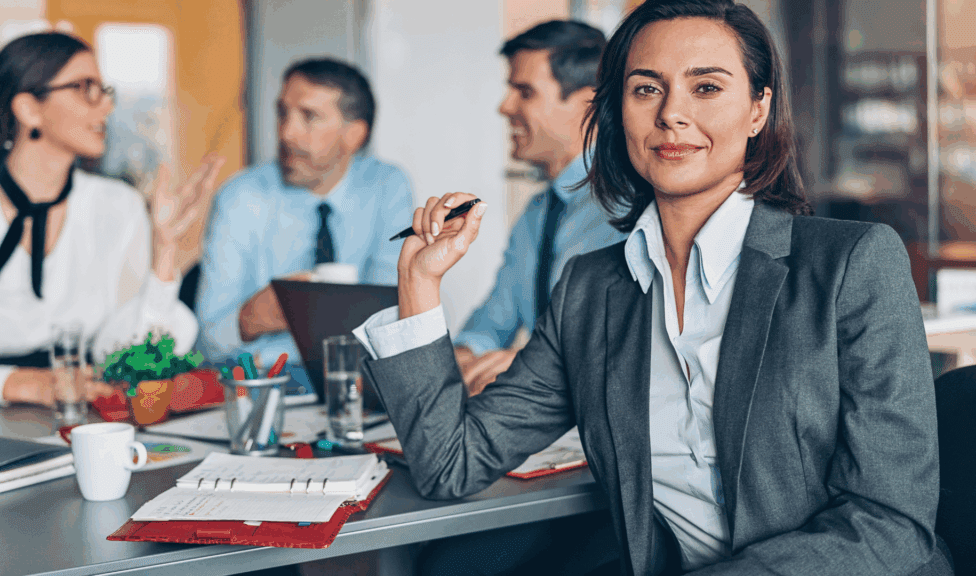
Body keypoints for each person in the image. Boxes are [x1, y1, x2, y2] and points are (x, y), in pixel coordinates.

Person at [354, 1, 953, 574]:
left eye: (707, 87)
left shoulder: (852, 264)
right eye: (646, 88)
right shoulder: (589, 292)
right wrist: (419, 281)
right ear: (618, 111)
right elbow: (449, 464)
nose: (671, 113)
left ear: (758, 110)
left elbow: (889, 523)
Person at [0, 32, 223, 406]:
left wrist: (164, 255)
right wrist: (15, 383)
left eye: (103, 90)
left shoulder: (119, 206)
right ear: (29, 109)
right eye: (84, 89)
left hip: (86, 412)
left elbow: (133, 354)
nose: (106, 108)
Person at [195, 58, 414, 379]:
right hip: (267, 380)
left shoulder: (387, 186)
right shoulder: (240, 197)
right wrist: (250, 319)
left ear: (354, 135)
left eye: (309, 117)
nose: (287, 133)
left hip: (361, 380)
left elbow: (393, 317)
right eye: (283, 113)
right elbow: (206, 343)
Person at [453, 20, 625, 396]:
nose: (505, 106)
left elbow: (625, 345)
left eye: (524, 92)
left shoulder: (629, 206)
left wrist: (530, 365)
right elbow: (495, 320)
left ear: (587, 104)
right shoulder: (538, 212)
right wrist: (463, 357)